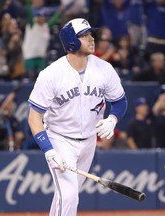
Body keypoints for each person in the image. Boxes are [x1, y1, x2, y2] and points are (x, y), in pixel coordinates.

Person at [28, 18, 127, 216]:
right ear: (71, 41)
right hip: (60, 139)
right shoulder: (51, 74)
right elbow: (34, 117)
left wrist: (113, 119)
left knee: (65, 196)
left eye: (91, 34)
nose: (91, 39)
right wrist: (49, 150)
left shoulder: (104, 69)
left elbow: (120, 101)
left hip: (89, 141)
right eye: (84, 35)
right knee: (70, 195)